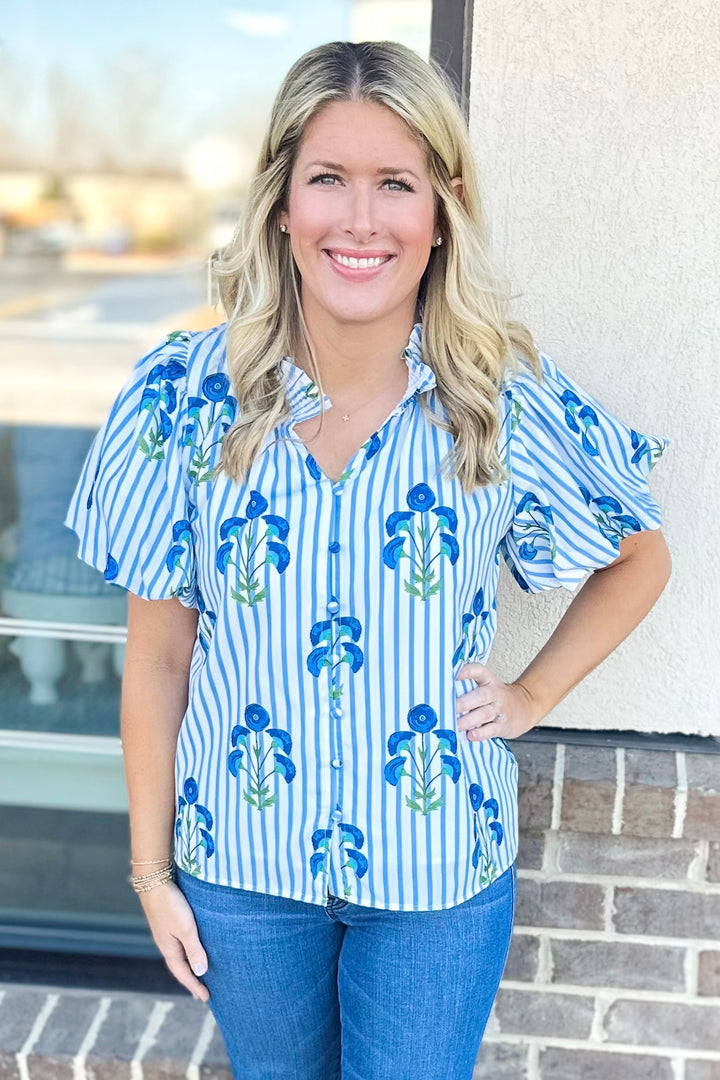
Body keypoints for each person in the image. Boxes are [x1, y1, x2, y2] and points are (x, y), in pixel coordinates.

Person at [65, 39, 671, 1080]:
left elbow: (639, 558)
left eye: (395, 182)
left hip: (435, 882)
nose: (360, 218)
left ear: (440, 210)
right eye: (328, 179)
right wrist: (150, 872)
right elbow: (159, 659)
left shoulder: (498, 399)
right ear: (282, 204)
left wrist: (528, 696)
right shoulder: (182, 402)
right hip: (244, 879)